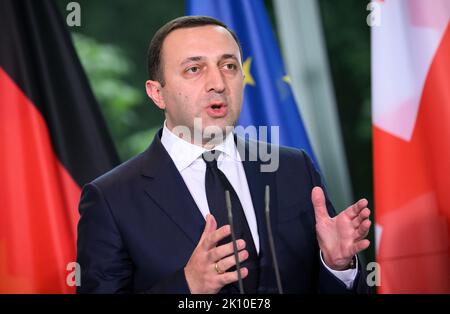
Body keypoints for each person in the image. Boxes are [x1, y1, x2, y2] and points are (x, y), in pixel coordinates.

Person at [76, 16, 372, 294]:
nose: (218, 83)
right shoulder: (110, 199)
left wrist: (336, 266)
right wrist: (187, 285)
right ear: (157, 93)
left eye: (229, 66)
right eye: (194, 69)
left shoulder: (294, 169)